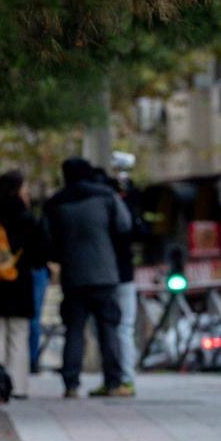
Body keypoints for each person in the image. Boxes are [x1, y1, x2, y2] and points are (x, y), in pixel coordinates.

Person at [43, 157, 133, 398]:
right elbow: (124, 225)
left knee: (74, 329)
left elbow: (46, 238)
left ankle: (71, 383)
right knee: (108, 328)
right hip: (105, 273)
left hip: (73, 275)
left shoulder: (56, 202)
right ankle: (113, 381)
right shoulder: (105, 196)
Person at [0, 171, 48, 398]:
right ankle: (17, 385)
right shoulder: (26, 219)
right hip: (19, 283)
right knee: (18, 334)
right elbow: (39, 253)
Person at [104, 167, 147, 396]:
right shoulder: (123, 210)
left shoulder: (101, 208)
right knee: (124, 327)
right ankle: (125, 377)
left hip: (107, 274)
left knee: (111, 328)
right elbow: (139, 231)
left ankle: (117, 378)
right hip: (121, 273)